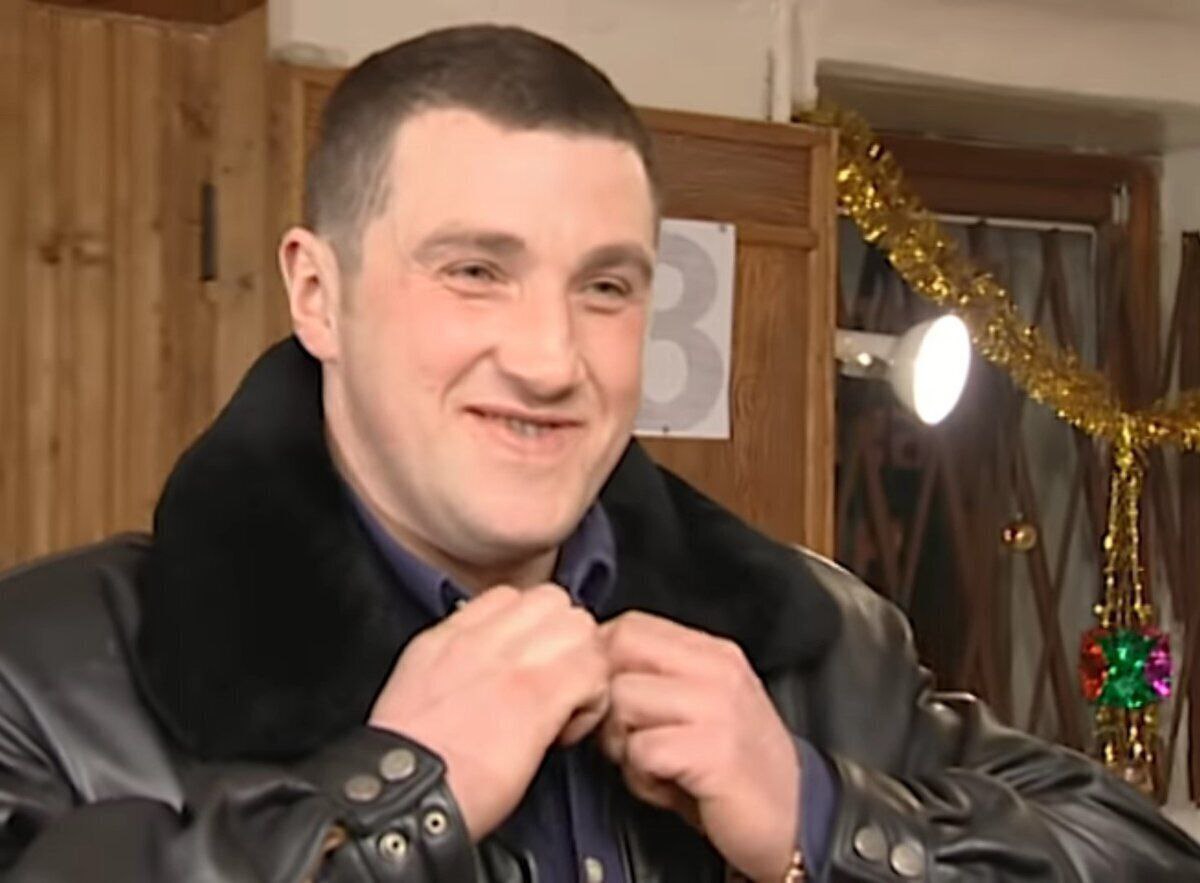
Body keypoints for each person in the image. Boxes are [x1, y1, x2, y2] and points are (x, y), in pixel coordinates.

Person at [0, 23, 1197, 883]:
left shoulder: (816, 639)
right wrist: (390, 803)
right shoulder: (42, 676)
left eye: (607, 287)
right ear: (319, 293)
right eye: (476, 270)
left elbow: (1138, 852)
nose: (550, 358)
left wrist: (816, 813)